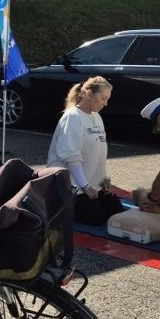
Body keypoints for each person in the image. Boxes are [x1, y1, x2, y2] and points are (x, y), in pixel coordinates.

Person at [47, 76, 122, 224]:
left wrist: (105, 178)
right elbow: (70, 157)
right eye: (103, 98)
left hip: (93, 183)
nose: (106, 104)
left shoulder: (97, 116)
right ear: (88, 94)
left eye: (107, 99)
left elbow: (99, 152)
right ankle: (59, 207)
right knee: (97, 219)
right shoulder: (72, 117)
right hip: (74, 186)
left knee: (116, 213)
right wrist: (85, 186)